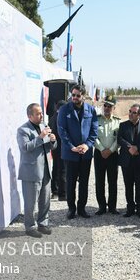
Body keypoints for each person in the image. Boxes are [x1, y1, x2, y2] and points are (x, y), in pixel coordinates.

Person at [57, 85, 99, 219]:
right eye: (73, 95)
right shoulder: (64, 109)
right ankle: (71, 209)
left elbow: (94, 131)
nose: (74, 98)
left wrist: (87, 145)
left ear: (84, 96)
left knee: (84, 183)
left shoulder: (91, 110)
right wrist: (71, 146)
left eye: (78, 95)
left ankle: (82, 209)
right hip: (70, 153)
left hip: (85, 153)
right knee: (70, 182)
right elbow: (62, 131)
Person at [17, 103, 56, 238]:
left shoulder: (43, 126)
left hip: (45, 169)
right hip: (31, 172)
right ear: (30, 115)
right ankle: (30, 227)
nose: (41, 116)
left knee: (45, 200)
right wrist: (40, 137)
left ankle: (43, 224)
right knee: (30, 202)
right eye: (38, 113)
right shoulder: (23, 130)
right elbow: (25, 148)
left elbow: (49, 147)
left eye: (41, 113)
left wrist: (52, 140)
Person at [118, 104, 140, 218]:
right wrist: (129, 147)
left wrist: (137, 148)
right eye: (130, 112)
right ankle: (130, 208)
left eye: (134, 113)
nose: (131, 114)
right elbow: (120, 139)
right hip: (126, 160)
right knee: (128, 185)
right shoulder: (123, 125)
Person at [94, 95, 121, 215]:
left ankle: (112, 206)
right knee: (99, 181)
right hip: (99, 154)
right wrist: (101, 149)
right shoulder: (96, 119)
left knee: (112, 181)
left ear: (113, 108)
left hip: (113, 154)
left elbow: (119, 139)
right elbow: (93, 136)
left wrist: (110, 150)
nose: (107, 108)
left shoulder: (118, 121)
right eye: (105, 105)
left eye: (109, 106)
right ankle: (101, 206)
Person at [49, 100, 67, 201]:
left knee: (55, 169)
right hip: (61, 147)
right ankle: (62, 194)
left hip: (55, 147)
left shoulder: (52, 117)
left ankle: (55, 191)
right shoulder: (61, 118)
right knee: (62, 170)